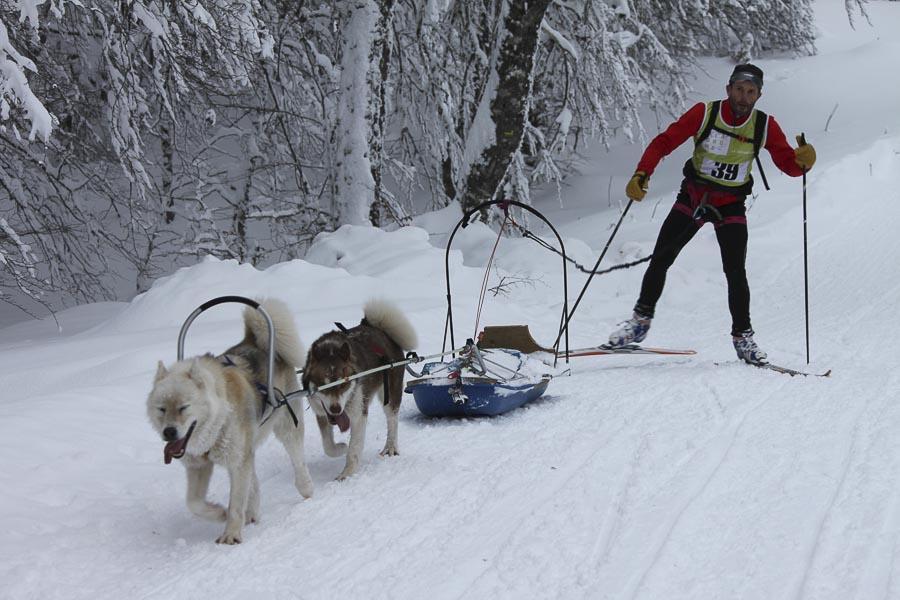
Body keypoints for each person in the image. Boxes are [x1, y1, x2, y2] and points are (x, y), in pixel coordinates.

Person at [607, 63, 817, 363]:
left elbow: (789, 165)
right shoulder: (705, 113)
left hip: (731, 204)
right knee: (661, 258)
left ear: (759, 95)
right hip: (694, 196)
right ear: (729, 88)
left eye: (751, 91)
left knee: (735, 272)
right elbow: (665, 141)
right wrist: (643, 173)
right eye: (740, 89)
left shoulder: (764, 125)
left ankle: (743, 338)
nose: (744, 97)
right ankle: (639, 323)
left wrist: (804, 161)